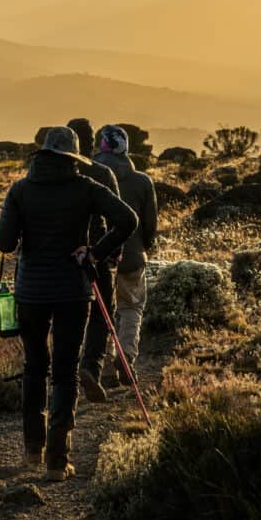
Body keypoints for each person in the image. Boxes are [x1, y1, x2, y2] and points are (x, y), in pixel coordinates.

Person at [0, 126, 137, 481]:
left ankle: (31, 451)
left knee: (34, 367)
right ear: (73, 158)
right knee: (65, 371)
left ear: (41, 154)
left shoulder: (20, 190)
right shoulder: (86, 188)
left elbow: (4, 243)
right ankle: (57, 461)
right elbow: (127, 220)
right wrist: (96, 252)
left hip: (30, 292)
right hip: (74, 291)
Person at [92, 125, 158, 386]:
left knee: (101, 311)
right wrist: (145, 245)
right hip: (132, 256)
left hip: (98, 257)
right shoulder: (142, 181)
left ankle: (106, 369)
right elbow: (150, 222)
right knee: (131, 307)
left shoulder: (89, 174)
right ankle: (127, 356)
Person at [66, 118, 121, 404]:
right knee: (102, 314)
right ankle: (90, 367)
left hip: (61, 256)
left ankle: (66, 375)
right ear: (91, 143)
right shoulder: (102, 173)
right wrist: (111, 252)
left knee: (65, 315)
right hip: (96, 254)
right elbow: (119, 218)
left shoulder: (54, 174)